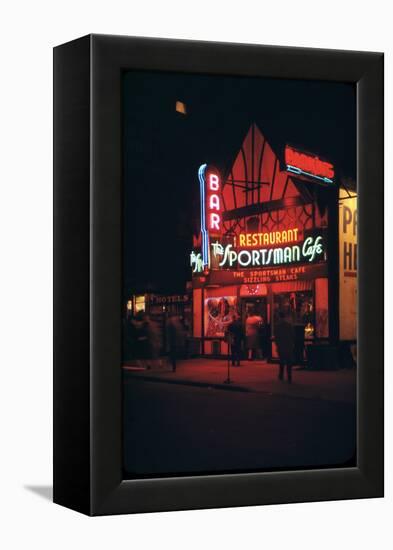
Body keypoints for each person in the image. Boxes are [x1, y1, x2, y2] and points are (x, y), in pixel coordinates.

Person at [275, 310, 295, 383]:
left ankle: (281, 375)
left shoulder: (277, 326)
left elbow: (276, 337)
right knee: (289, 361)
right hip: (288, 345)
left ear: (279, 317)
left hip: (281, 345)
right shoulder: (289, 325)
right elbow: (293, 335)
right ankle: (289, 376)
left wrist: (277, 345)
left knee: (282, 361)